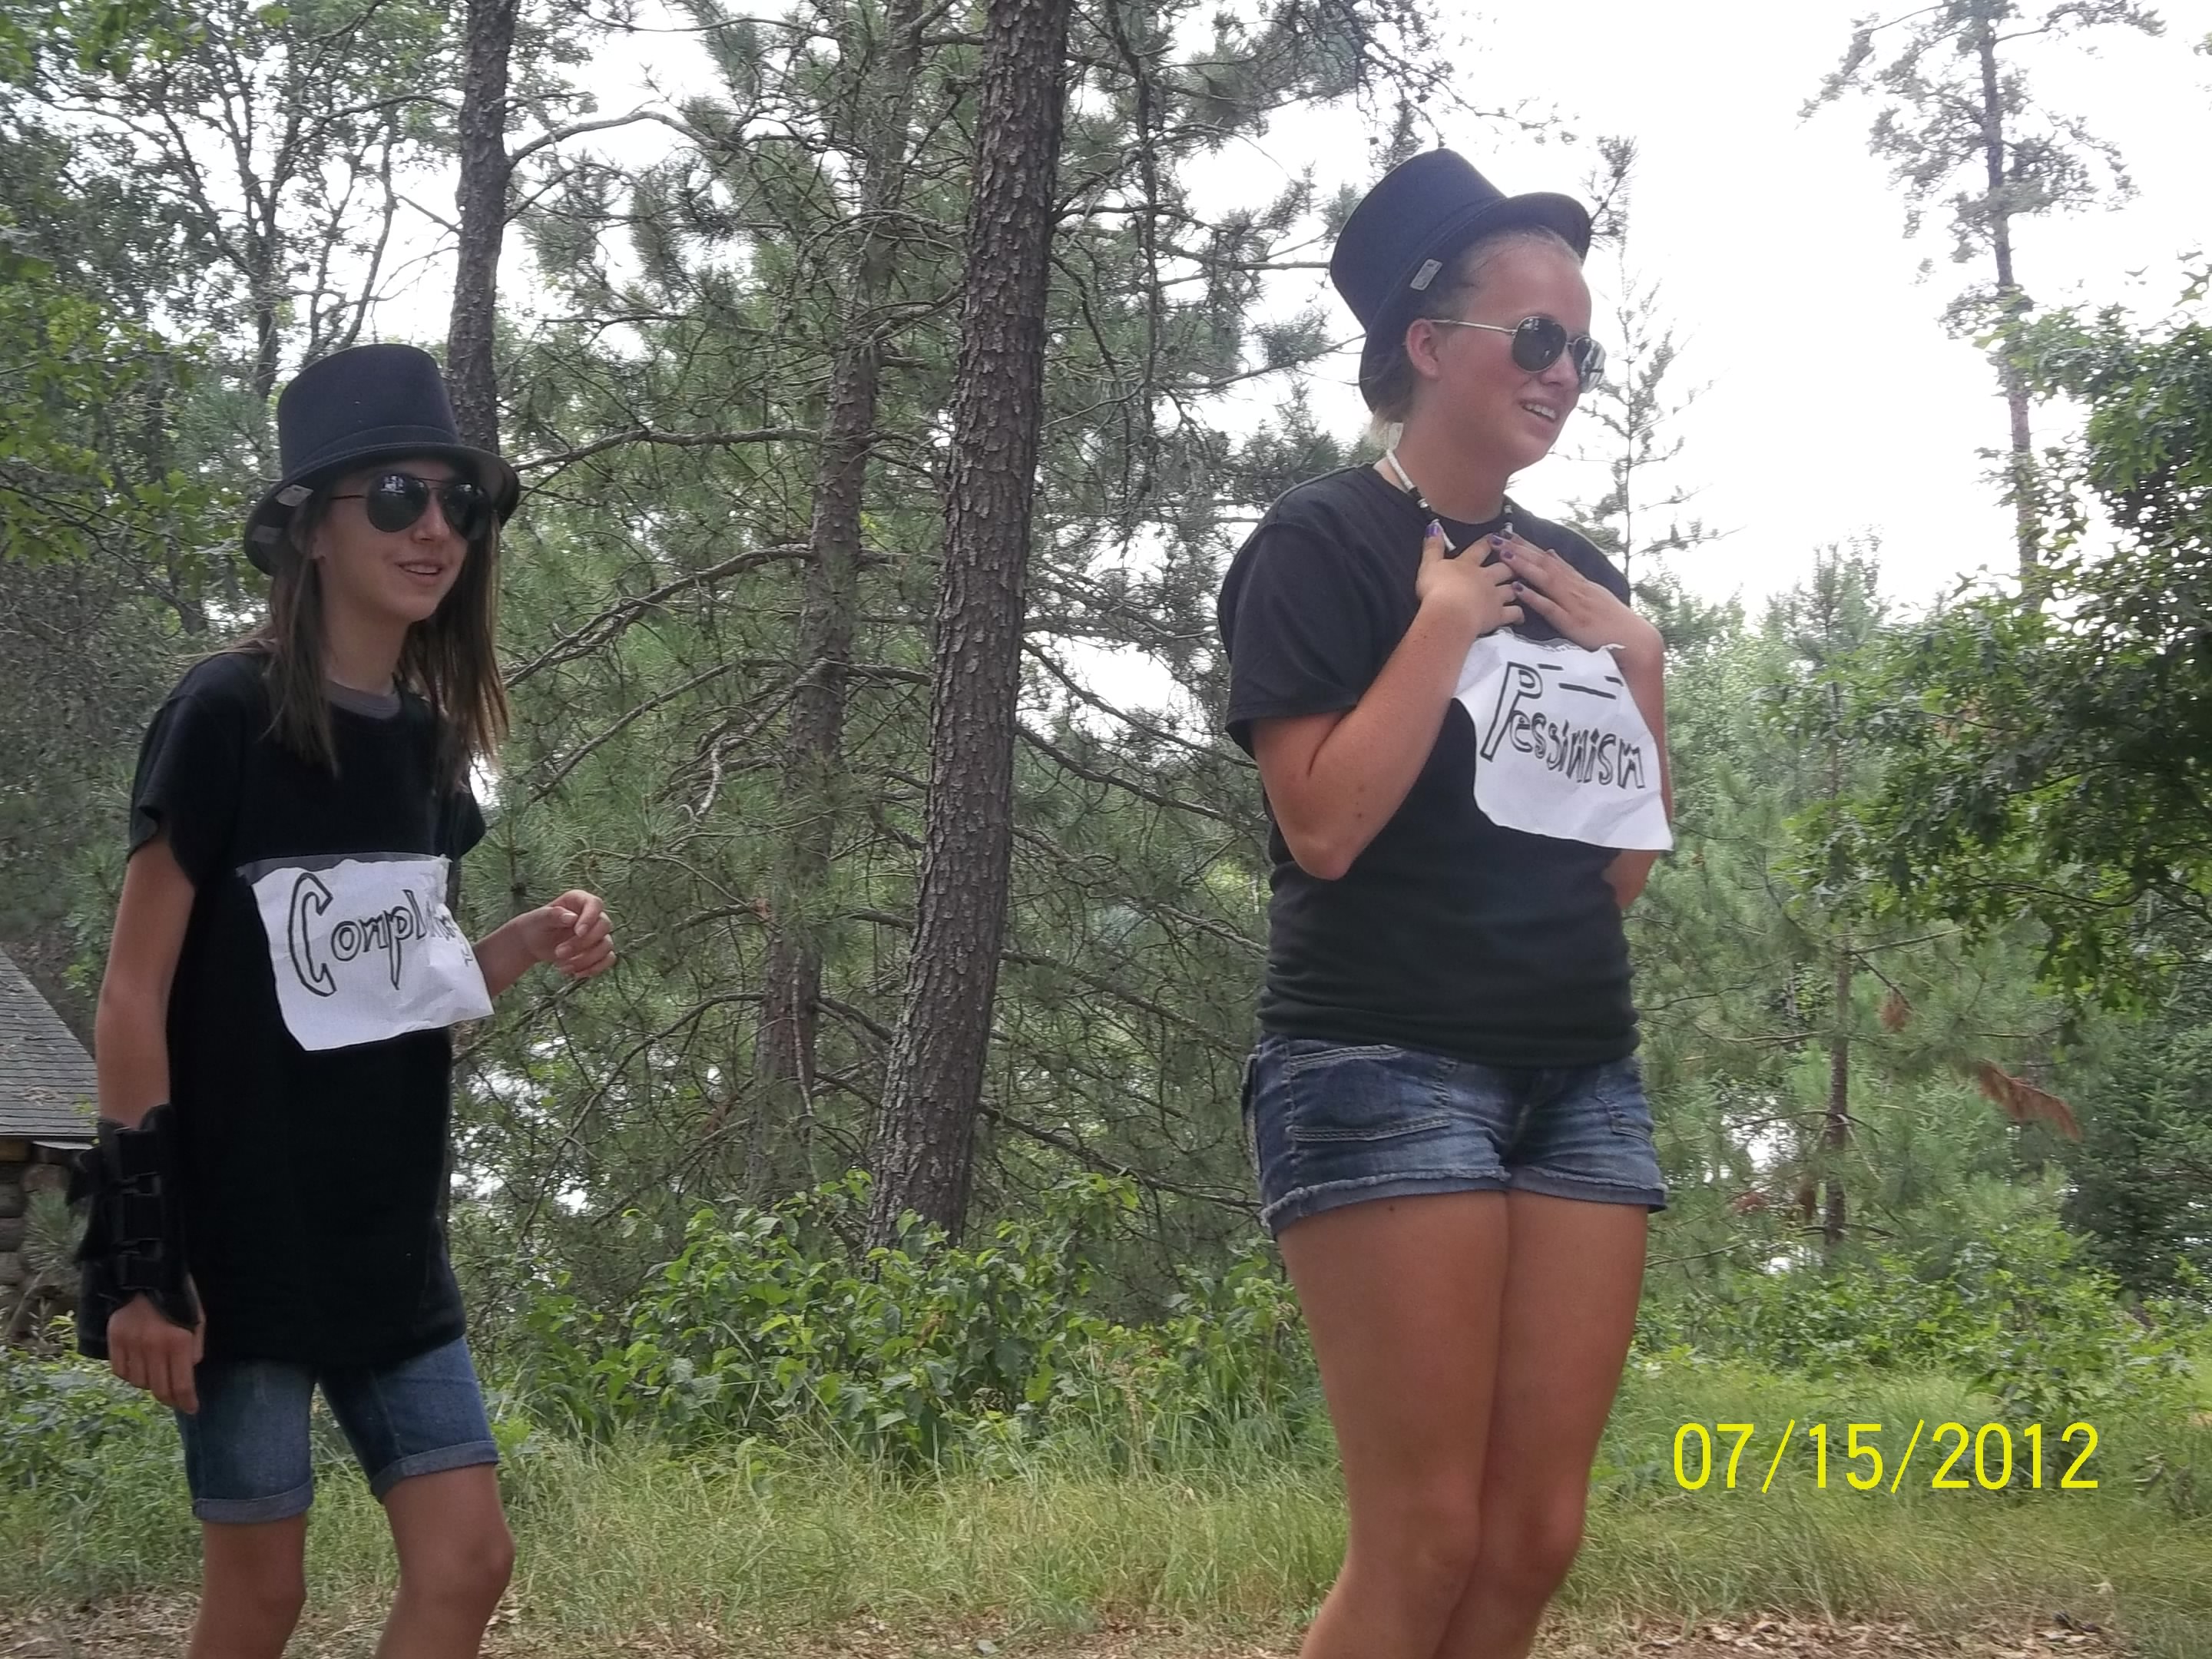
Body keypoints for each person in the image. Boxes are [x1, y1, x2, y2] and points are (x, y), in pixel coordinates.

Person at [73, 343, 616, 1659]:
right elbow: (132, 995)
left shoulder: (425, 744)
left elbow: (392, 988)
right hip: (239, 1250)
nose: (435, 530)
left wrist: (525, 943)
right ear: (310, 528)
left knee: (468, 1562)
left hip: (387, 1244)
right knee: (261, 1598)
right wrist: (142, 1262)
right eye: (394, 498)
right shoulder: (222, 712)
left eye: (457, 503)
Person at [1215, 150, 1674, 1659]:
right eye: (1535, 337)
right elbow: (1324, 827)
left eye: (1581, 348)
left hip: (1578, 1074)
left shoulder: (1577, 575)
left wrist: (1642, 664)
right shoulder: (1317, 545)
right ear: (1426, 342)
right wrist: (1445, 624)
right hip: (1382, 1063)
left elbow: (1617, 870)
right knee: (1425, 1540)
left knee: (1533, 1537)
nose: (1563, 374)